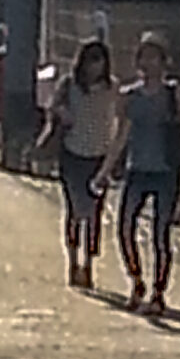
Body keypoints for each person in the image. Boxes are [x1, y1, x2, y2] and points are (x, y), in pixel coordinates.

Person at [102, 32, 180, 316]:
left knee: (161, 234)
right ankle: (136, 282)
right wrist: (105, 171)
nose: (148, 63)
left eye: (154, 57)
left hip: (165, 171)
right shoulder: (129, 96)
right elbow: (120, 135)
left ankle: (158, 292)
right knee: (124, 229)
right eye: (143, 57)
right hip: (137, 169)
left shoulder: (173, 93)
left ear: (163, 61)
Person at [41, 38, 117, 287]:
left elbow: (122, 117)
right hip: (73, 156)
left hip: (100, 159)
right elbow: (52, 107)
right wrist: (61, 114)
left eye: (99, 61)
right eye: (90, 61)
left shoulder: (111, 88)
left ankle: (89, 265)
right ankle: (73, 262)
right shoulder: (69, 84)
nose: (95, 67)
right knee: (75, 211)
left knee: (95, 214)